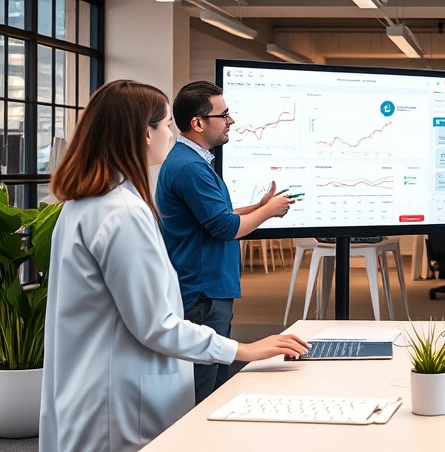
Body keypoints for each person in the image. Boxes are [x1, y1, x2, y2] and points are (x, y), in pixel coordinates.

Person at [41, 80, 309, 452]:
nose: (172, 132)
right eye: (166, 124)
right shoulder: (121, 214)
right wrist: (244, 350)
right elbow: (157, 326)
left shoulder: (86, 204)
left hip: (97, 393)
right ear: (142, 134)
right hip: (117, 410)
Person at [157, 81, 294, 404]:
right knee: (205, 388)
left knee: (215, 379)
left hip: (208, 287)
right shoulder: (191, 167)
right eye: (225, 114)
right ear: (199, 123)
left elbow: (213, 215)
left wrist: (258, 208)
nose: (230, 120)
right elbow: (223, 227)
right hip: (204, 292)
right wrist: (269, 212)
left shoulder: (190, 161)